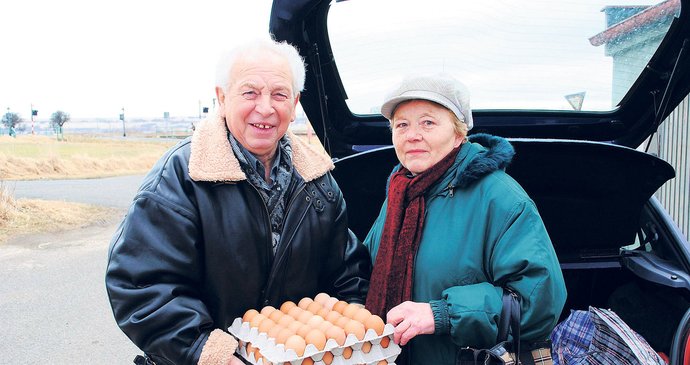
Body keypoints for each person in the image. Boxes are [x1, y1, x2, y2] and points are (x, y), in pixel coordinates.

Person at [105, 37, 371, 365]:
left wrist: (350, 322)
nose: (265, 108)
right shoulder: (184, 174)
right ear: (222, 97)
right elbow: (142, 285)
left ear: (295, 102)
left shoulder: (318, 181)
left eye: (279, 94)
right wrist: (213, 354)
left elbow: (346, 271)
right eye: (250, 93)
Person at [364, 74, 567, 365]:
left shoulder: (501, 198)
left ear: (459, 133)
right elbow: (366, 267)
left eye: (428, 123)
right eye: (402, 125)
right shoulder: (400, 195)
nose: (412, 135)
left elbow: (538, 302)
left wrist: (442, 315)